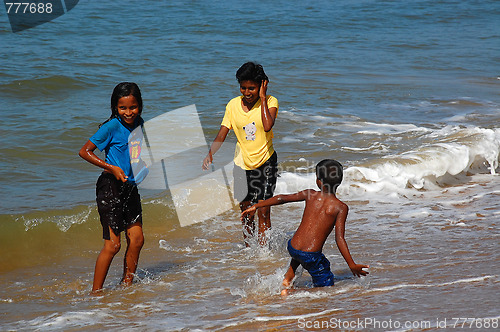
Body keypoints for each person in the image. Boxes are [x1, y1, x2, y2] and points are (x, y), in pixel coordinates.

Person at [241, 159, 369, 293]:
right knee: (326, 288)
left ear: (318, 180)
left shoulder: (310, 194)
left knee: (300, 254)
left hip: (293, 247)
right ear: (340, 181)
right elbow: (340, 239)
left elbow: (282, 198)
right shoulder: (340, 207)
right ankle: (290, 292)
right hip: (310, 254)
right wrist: (351, 264)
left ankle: (288, 278)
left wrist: (257, 205)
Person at [79, 82, 146, 293]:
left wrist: (142, 165)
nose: (128, 112)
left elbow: (135, 152)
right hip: (110, 187)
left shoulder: (140, 123)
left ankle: (126, 287)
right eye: (122, 108)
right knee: (113, 245)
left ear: (140, 106)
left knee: (137, 239)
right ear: (115, 108)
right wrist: (112, 168)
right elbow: (84, 151)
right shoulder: (110, 127)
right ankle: (95, 294)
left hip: (130, 187)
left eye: (133, 107)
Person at [203, 62, 279, 246]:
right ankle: (248, 249)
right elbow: (223, 132)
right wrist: (210, 153)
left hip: (266, 162)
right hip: (241, 164)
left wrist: (262, 97)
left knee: (263, 210)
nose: (246, 92)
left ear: (262, 85)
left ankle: (263, 252)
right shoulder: (232, 105)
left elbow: (268, 125)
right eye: (243, 88)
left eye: (252, 88)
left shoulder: (270, 102)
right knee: (246, 211)